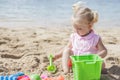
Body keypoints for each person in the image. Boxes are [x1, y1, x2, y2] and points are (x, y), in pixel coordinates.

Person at [53, 1, 107, 74]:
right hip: (75, 63)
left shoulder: (95, 38)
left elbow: (104, 51)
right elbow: (67, 48)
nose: (76, 30)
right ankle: (66, 71)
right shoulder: (74, 36)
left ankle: (92, 71)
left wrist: (96, 56)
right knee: (67, 50)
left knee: (102, 64)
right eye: (74, 27)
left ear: (90, 26)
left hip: (89, 63)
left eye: (79, 28)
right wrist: (57, 55)